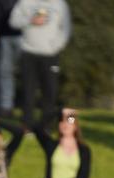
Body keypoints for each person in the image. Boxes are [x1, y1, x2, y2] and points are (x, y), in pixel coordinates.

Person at [9, 0, 71, 130]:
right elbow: (13, 21)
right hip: (28, 52)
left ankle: (45, 127)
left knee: (50, 91)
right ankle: (27, 125)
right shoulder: (25, 2)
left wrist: (55, 47)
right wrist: (30, 20)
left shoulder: (60, 4)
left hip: (50, 55)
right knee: (28, 90)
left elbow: (66, 28)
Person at [33, 108, 90, 178]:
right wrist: (59, 111)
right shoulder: (51, 145)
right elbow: (37, 127)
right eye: (62, 121)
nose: (65, 124)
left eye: (68, 121)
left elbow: (83, 177)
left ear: (75, 126)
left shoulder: (84, 150)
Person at [0, 0, 22, 117]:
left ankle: (27, 108)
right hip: (4, 35)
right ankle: (7, 107)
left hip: (25, 36)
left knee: (28, 74)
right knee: (5, 72)